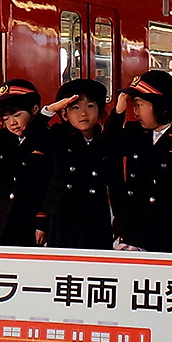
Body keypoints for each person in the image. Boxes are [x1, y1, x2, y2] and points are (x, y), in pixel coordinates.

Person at [106, 70, 172, 253]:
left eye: (139, 105)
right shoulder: (133, 133)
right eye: (134, 105)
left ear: (162, 107)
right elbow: (107, 148)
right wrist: (118, 111)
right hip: (131, 230)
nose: (135, 111)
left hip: (165, 233)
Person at [0, 79, 52, 247]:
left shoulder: (46, 141)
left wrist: (42, 221)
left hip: (25, 222)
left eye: (17, 115)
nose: (12, 123)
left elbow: (47, 185)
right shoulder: (0, 140)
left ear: (35, 110)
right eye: (6, 118)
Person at [41, 79, 114, 249]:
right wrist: (51, 109)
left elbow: (115, 180)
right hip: (64, 217)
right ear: (64, 114)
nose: (83, 113)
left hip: (96, 216)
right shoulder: (58, 136)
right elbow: (33, 134)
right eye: (75, 107)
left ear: (99, 111)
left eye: (90, 106)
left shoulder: (104, 139)